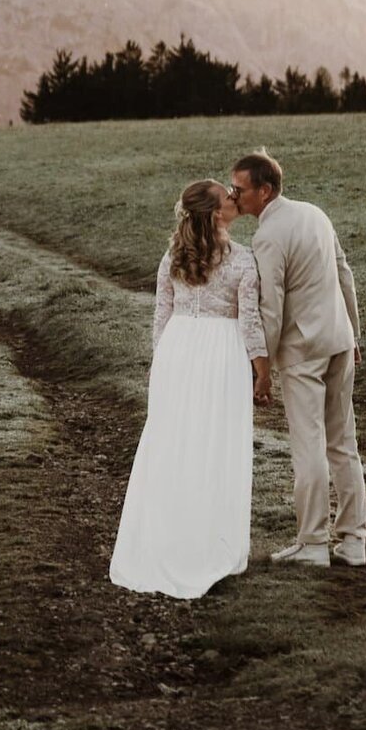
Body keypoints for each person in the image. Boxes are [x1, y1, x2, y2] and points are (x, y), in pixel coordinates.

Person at [110, 180, 271, 599]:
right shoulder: (243, 260)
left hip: (178, 349)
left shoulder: (173, 256)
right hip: (221, 354)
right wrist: (262, 370)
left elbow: (161, 315)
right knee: (214, 446)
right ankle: (208, 542)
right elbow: (250, 321)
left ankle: (172, 537)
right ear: (217, 214)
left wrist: (160, 363)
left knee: (175, 443)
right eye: (228, 197)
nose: (235, 198)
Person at [230, 149, 366, 568]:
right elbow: (344, 272)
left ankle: (311, 543)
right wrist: (355, 333)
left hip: (303, 350)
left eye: (240, 190)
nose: (234, 197)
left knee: (308, 444)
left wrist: (263, 368)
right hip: (340, 339)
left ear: (265, 191)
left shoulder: (268, 236)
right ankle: (353, 542)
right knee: (343, 443)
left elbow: (271, 308)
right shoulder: (315, 213)